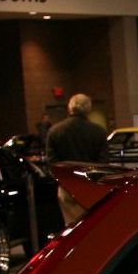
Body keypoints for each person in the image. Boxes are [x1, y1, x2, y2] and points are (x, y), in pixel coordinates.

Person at [45, 93, 109, 226]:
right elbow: (104, 162)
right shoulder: (99, 131)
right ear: (88, 109)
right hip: (91, 186)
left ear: (70, 108)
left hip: (67, 185)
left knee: (71, 226)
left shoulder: (55, 131)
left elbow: (52, 163)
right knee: (93, 224)